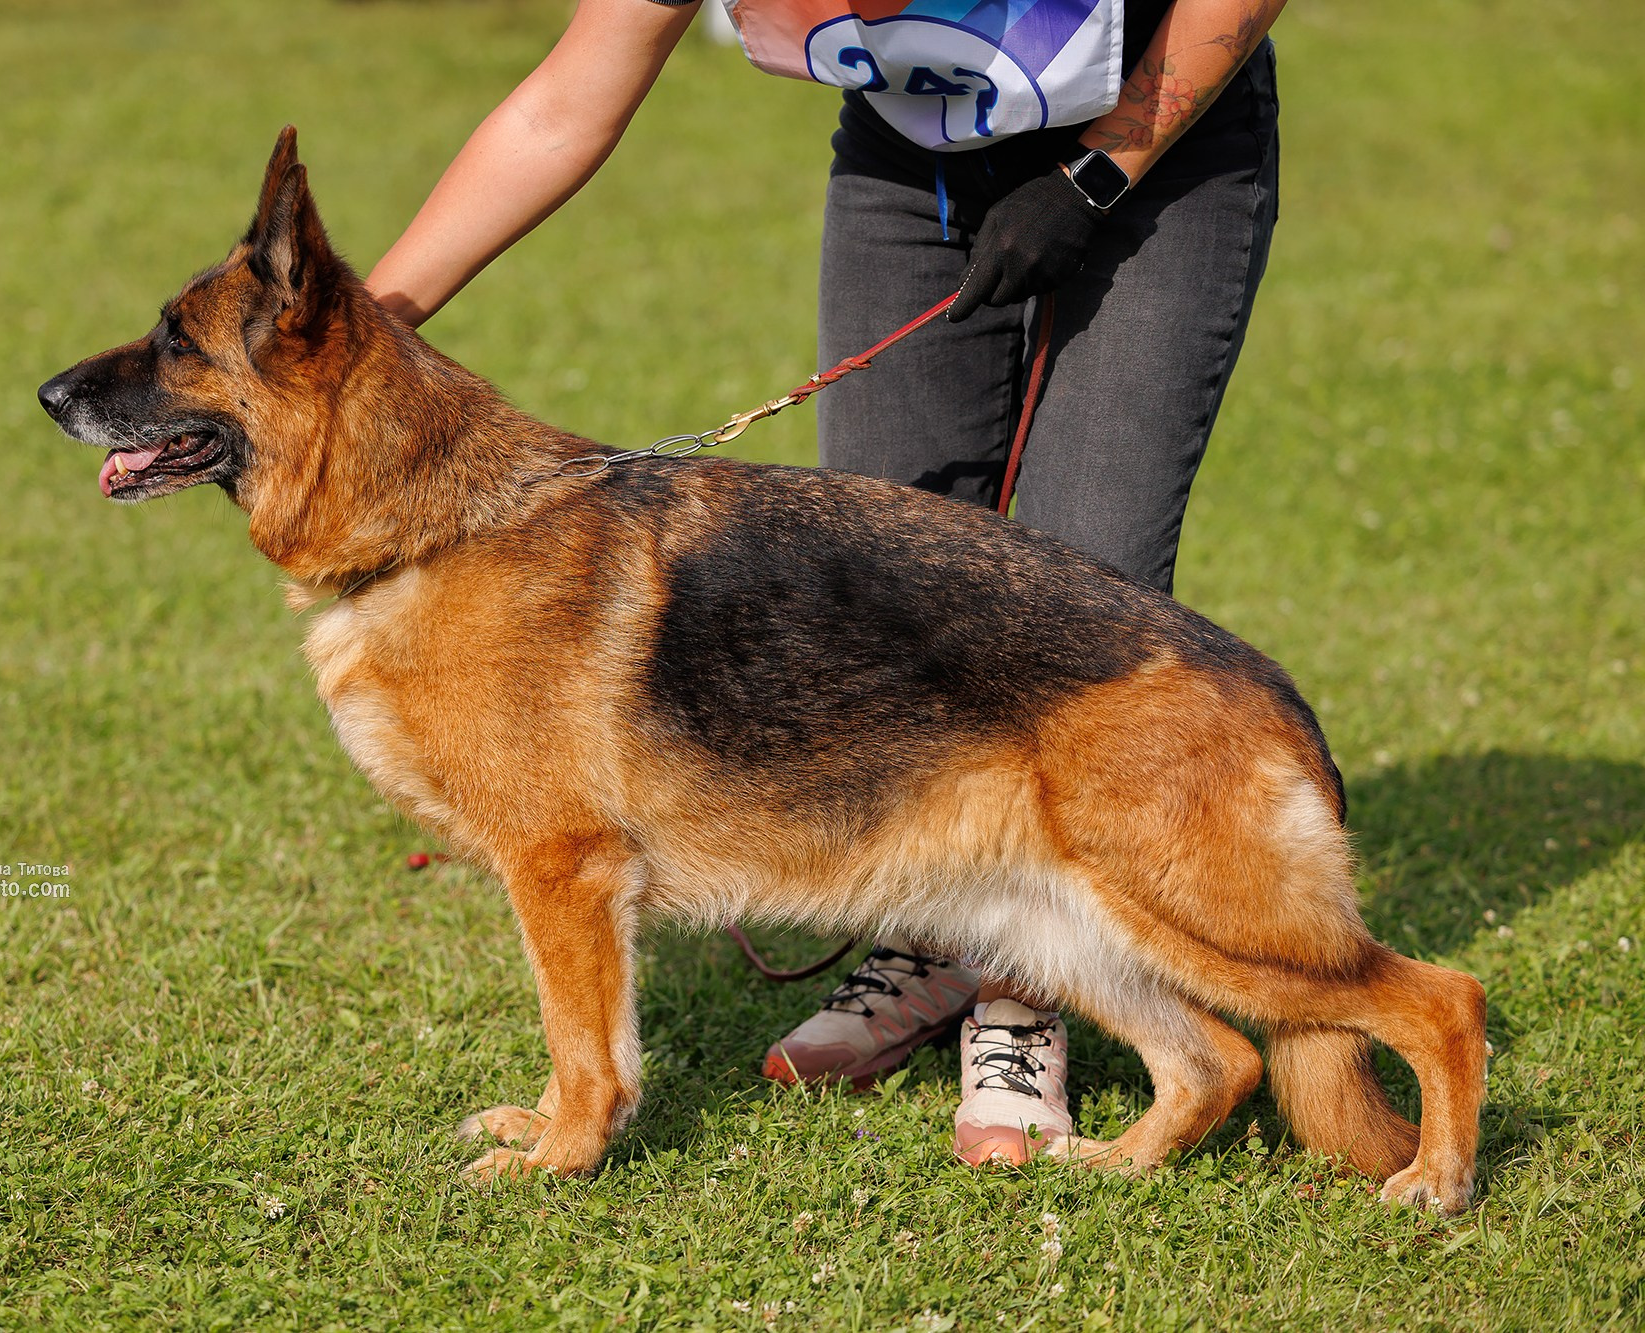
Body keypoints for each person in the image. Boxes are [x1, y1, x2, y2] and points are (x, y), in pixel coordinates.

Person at [367, 0, 1286, 1169]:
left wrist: (1099, 172)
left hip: (1156, 139)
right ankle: (930, 937)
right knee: (872, 605)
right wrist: (349, 337)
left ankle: (1020, 1000)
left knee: (1084, 592)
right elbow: (561, 102)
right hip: (912, 160)